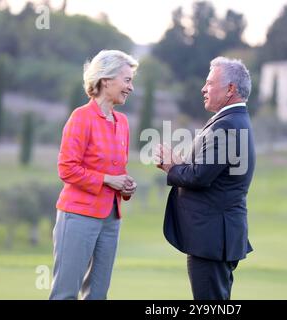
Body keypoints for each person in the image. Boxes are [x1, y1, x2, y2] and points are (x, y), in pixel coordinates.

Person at [155, 56, 256, 300]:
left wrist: (171, 167)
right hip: (214, 238)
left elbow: (200, 177)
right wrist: (182, 165)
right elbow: (209, 170)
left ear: (230, 89)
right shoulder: (231, 120)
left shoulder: (228, 125)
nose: (203, 88)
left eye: (210, 83)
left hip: (212, 239)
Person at [50, 50, 138, 300]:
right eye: (127, 80)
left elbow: (116, 169)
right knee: (65, 294)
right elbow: (67, 168)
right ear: (106, 79)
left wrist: (125, 185)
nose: (130, 87)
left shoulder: (122, 122)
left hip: (112, 218)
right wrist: (108, 180)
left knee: (98, 294)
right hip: (78, 216)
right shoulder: (81, 117)